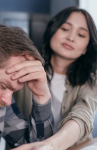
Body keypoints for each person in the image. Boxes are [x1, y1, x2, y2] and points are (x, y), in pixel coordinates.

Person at [13, 6, 97, 150]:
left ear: (86, 48)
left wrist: (51, 146)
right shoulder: (25, 66)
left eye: (81, 35)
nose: (70, 37)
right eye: (65, 29)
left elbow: (83, 114)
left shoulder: (92, 79)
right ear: (53, 30)